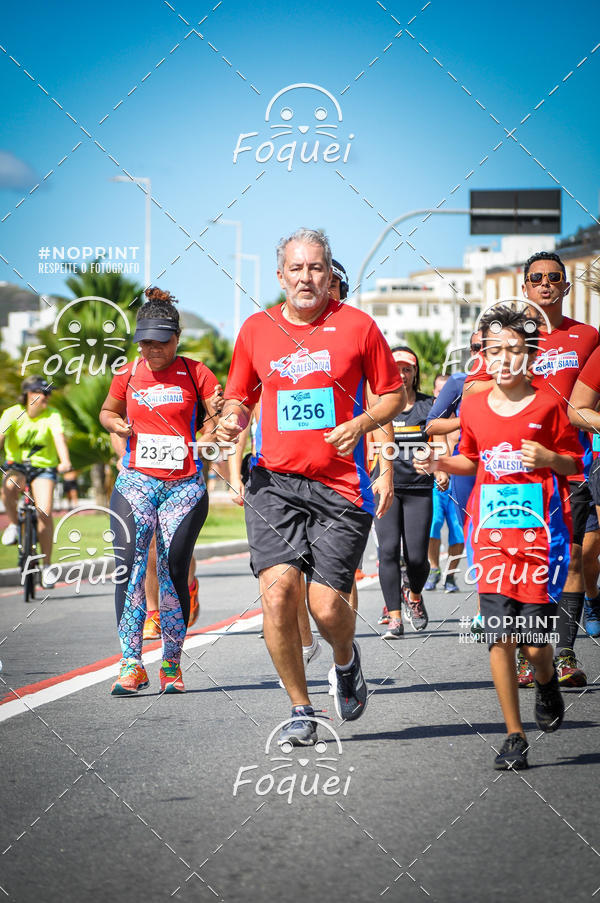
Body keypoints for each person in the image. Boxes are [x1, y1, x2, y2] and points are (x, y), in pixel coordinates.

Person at [217, 228, 404, 746]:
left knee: (325, 607)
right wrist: (232, 420)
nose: (306, 278)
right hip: (273, 484)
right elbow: (239, 397)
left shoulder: (358, 326)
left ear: (328, 273)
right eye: (296, 269)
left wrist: (362, 424)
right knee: (278, 596)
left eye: (316, 268)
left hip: (339, 486)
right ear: (281, 276)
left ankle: (345, 661)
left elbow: (393, 396)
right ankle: (300, 708)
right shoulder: (256, 329)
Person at [417, 305, 581, 769]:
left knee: (534, 642)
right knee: (499, 635)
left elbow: (574, 461)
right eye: (494, 351)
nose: (504, 358)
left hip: (539, 539)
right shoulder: (472, 405)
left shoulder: (548, 404)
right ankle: (513, 735)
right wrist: (439, 462)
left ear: (530, 355)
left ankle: (546, 681)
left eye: (514, 349)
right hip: (490, 537)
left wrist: (548, 458)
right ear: (483, 356)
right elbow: (471, 459)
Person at [100, 287, 221, 696]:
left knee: (171, 569)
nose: (152, 350)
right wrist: (115, 425)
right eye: (145, 342)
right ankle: (131, 664)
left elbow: (217, 417)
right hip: (136, 481)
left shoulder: (197, 373)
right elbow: (108, 411)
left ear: (177, 338)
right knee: (129, 566)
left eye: (161, 342)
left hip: (183, 486)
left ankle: (171, 663)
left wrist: (209, 434)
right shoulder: (127, 373)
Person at [372, 347, 437, 638]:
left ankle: (414, 595)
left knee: (417, 558)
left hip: (419, 488)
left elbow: (441, 437)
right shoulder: (379, 405)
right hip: (386, 486)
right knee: (387, 551)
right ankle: (395, 617)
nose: (401, 374)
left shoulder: (429, 405)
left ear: (414, 373)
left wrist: (441, 467)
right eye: (396, 368)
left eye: (407, 369)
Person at [0, 375, 72, 587]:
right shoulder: (13, 413)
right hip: (17, 465)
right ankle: (15, 525)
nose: (47, 397)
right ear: (29, 394)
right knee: (9, 487)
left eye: (49, 393)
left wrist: (65, 461)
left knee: (44, 511)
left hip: (44, 468)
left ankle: (47, 566)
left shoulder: (53, 414)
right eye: (43, 393)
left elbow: (59, 439)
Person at [567, 343, 600, 637]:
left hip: (592, 468)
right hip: (581, 472)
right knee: (584, 553)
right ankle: (592, 598)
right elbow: (578, 411)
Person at [424, 373, 464, 593]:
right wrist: (440, 470)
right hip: (438, 477)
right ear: (435, 393)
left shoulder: (462, 414)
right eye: (440, 391)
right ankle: (434, 568)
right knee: (434, 524)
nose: (443, 396)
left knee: (457, 529)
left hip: (460, 476)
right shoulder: (433, 418)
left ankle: (450, 575)